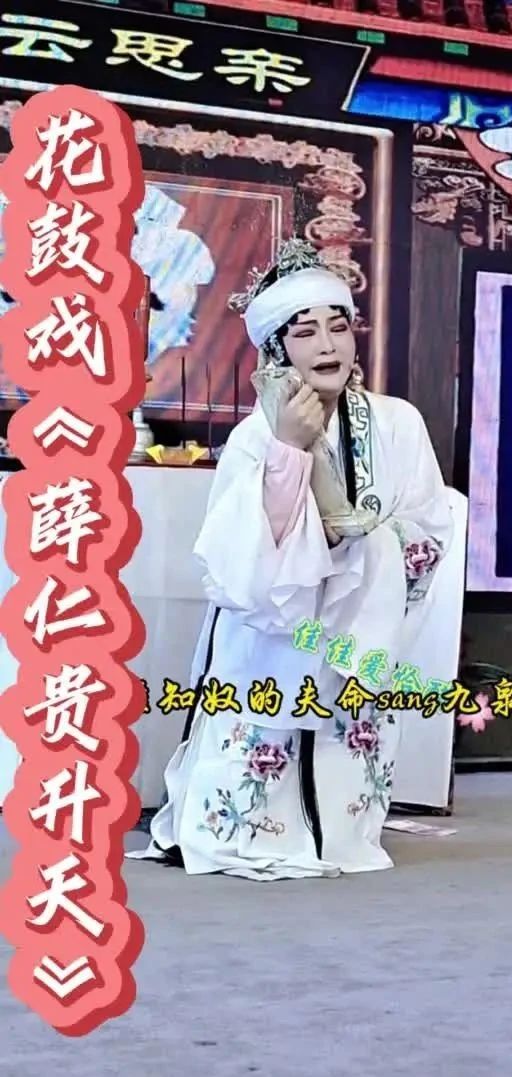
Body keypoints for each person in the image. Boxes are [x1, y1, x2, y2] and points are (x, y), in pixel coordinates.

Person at [129, 239, 453, 881]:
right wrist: (290, 451)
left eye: (339, 327)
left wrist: (371, 549)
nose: (328, 346)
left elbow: (427, 526)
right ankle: (252, 825)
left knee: (346, 724)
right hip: (277, 626)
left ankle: (338, 829)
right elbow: (242, 559)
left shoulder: (398, 423)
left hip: (358, 623)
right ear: (277, 349)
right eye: (305, 333)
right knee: (263, 707)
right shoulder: (256, 436)